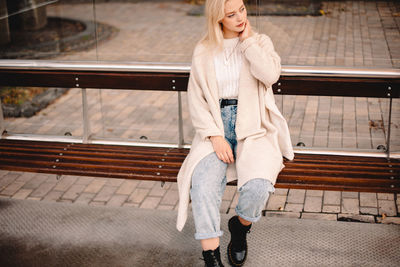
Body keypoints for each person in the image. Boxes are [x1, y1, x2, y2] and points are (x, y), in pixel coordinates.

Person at [176, 0, 294, 266]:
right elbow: (196, 98)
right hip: (215, 128)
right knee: (203, 187)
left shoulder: (260, 41)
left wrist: (248, 43)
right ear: (218, 18)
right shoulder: (204, 49)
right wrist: (215, 136)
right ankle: (211, 256)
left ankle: (239, 228)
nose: (240, 17)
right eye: (231, 14)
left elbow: (270, 75)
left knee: (258, 188)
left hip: (254, 128)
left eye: (241, 9)